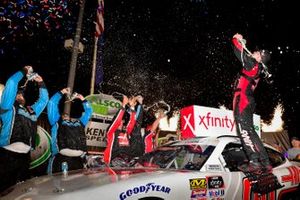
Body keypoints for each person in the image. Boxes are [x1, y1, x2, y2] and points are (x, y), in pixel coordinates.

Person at [0, 66, 49, 192]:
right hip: (7, 156)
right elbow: (11, 82)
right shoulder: (8, 107)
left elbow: (44, 100)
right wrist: (24, 71)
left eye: (22, 94)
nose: (20, 96)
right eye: (17, 94)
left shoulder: (31, 111)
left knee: (21, 192)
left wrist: (40, 83)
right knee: (4, 190)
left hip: (25, 158)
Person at [232, 33, 272, 174]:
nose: (254, 52)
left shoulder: (253, 65)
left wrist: (236, 39)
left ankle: (254, 161)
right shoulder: (258, 68)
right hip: (248, 100)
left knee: (243, 130)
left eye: (257, 53)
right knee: (251, 132)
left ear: (260, 58)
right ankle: (265, 162)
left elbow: (239, 52)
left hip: (243, 100)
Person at [47, 88, 92, 174]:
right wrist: (62, 92)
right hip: (61, 158)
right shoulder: (56, 121)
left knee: (77, 185)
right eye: (64, 116)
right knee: (58, 184)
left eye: (67, 115)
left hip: (78, 159)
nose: (66, 116)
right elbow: (51, 103)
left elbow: (89, 112)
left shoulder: (79, 123)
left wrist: (83, 100)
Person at [103, 95, 137, 165]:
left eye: (122, 121)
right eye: (120, 121)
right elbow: (117, 120)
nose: (121, 122)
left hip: (126, 162)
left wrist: (132, 107)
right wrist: (123, 105)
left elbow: (132, 122)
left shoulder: (126, 132)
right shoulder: (111, 132)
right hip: (112, 161)